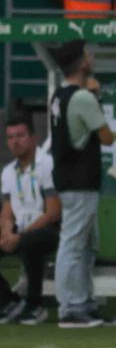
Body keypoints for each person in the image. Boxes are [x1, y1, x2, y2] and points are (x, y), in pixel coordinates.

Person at [48, 40, 116, 328]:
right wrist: (96, 95)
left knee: (85, 245)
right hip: (79, 180)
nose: (91, 58)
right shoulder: (82, 97)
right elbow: (107, 137)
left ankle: (84, 303)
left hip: (71, 178)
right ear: (80, 63)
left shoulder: (59, 95)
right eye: (88, 55)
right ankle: (70, 307)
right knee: (74, 244)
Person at [0, 114, 61, 325]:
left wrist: (19, 236)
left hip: (52, 229)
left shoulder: (48, 165)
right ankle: (9, 302)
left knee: (30, 242)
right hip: (20, 229)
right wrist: (6, 232)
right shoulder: (8, 172)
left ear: (33, 138)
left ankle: (35, 305)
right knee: (19, 239)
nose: (15, 142)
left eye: (20, 136)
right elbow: (7, 210)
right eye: (10, 137)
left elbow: (53, 212)